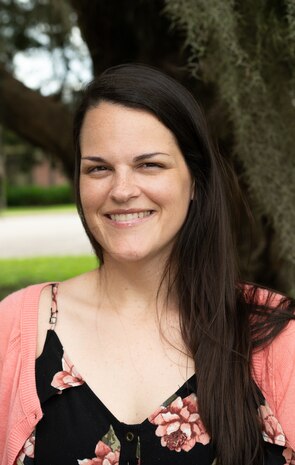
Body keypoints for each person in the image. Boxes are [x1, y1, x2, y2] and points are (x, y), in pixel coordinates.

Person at [0, 64, 295, 465]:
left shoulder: (274, 336)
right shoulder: (16, 330)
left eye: (149, 165)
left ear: (195, 181)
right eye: (99, 168)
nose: (122, 190)